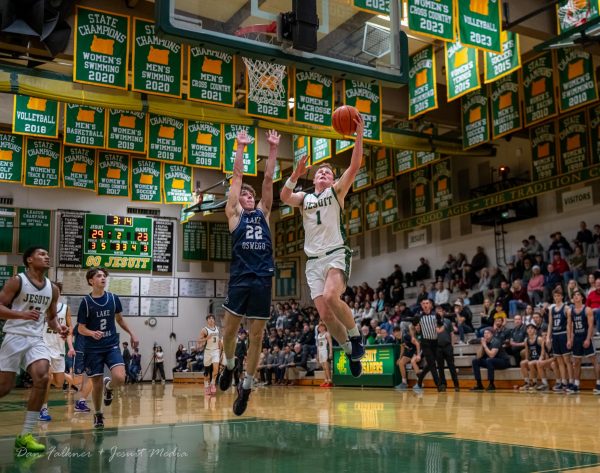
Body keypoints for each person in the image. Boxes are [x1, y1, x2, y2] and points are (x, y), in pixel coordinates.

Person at [280, 115, 366, 378]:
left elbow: (354, 166)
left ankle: (355, 336)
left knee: (331, 296)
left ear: (331, 180)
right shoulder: (304, 198)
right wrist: (295, 174)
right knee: (326, 317)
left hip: (336, 254)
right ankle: (350, 351)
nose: (323, 174)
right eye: (320, 172)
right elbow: (284, 196)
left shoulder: (336, 192)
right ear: (314, 179)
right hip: (313, 261)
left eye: (327, 173)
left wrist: (358, 134)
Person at [219, 129, 280, 416]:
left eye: (250, 195)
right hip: (240, 278)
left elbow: (267, 180)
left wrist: (272, 148)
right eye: (243, 195)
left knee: (257, 336)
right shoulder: (234, 216)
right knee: (229, 332)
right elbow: (238, 177)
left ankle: (246, 385)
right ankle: (230, 366)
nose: (247, 196)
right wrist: (241, 147)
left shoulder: (264, 213)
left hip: (262, 279)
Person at [0, 247, 67, 453]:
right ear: (29, 260)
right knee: (4, 388)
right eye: (41, 254)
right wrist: (21, 316)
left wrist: (59, 327)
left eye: (48, 254)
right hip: (14, 337)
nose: (47, 257)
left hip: (36, 340)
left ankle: (26, 435)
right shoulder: (17, 281)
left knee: (43, 378)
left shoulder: (53, 288)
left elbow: (51, 317)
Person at [77, 267, 138, 429]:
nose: (103, 278)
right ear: (91, 281)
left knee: (120, 378)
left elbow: (120, 320)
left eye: (104, 276)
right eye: (99, 276)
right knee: (96, 384)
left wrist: (132, 334)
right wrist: (91, 332)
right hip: (93, 349)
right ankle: (98, 414)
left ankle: (109, 388)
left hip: (111, 345)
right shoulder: (86, 302)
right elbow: (80, 328)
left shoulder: (113, 298)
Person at [40, 283, 74, 421]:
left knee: (59, 383)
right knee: (47, 377)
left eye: (56, 291)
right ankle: (43, 409)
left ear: (59, 293)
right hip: (43, 346)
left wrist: (70, 347)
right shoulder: (42, 308)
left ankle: (41, 384)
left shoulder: (65, 309)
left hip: (59, 348)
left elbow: (70, 329)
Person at [568, 291, 600, 394]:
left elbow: (591, 326)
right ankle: (576, 384)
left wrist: (587, 339)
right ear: (572, 299)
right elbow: (569, 326)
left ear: (582, 298)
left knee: (594, 360)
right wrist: (569, 339)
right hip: (576, 338)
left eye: (578, 295)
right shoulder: (570, 311)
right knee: (576, 362)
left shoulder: (587, 310)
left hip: (586, 337)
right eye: (574, 295)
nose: (576, 297)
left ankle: (599, 383)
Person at [546, 288, 574, 393]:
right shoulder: (551, 309)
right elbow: (550, 324)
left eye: (558, 296)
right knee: (560, 361)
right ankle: (564, 382)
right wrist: (548, 337)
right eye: (555, 296)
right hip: (555, 335)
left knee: (567, 361)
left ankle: (571, 382)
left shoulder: (566, 308)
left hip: (563, 335)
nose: (557, 298)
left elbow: (569, 325)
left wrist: (569, 338)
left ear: (562, 296)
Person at [519, 323, 551, 391]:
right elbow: (527, 352)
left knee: (530, 363)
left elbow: (543, 350)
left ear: (535, 330)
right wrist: (526, 360)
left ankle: (535, 382)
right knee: (522, 363)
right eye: (528, 328)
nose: (529, 330)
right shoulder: (526, 340)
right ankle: (527, 383)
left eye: (531, 328)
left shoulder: (539, 339)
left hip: (541, 358)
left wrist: (541, 358)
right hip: (533, 359)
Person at [198, 314, 222, 395]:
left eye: (212, 318)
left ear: (214, 320)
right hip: (208, 352)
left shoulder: (217, 329)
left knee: (216, 370)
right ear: (207, 320)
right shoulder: (204, 330)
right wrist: (207, 338)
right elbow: (199, 341)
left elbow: (219, 341)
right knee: (207, 372)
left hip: (216, 351)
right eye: (209, 318)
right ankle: (206, 386)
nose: (211, 320)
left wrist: (220, 351)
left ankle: (212, 384)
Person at [395, 323, 421, 390]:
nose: (395, 334)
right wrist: (399, 358)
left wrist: (418, 355)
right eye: (394, 333)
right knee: (400, 363)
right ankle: (404, 383)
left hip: (416, 350)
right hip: (410, 352)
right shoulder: (398, 339)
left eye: (396, 332)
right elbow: (402, 348)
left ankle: (420, 382)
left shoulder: (406, 336)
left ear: (400, 331)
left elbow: (417, 344)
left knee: (413, 362)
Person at [316, 322, 333, 388]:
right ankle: (326, 380)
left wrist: (330, 352)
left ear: (324, 327)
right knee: (323, 367)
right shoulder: (318, 335)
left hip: (325, 351)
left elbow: (330, 344)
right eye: (319, 327)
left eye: (320, 327)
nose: (319, 328)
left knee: (327, 367)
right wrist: (317, 354)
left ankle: (329, 381)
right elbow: (318, 345)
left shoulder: (327, 334)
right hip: (320, 351)